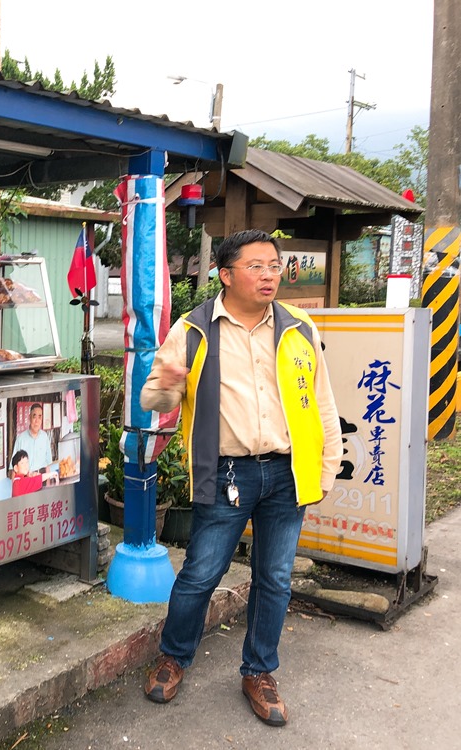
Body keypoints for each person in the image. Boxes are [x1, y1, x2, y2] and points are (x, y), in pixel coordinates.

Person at [139, 229, 340, 727]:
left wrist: (327, 463)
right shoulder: (193, 330)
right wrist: (166, 385)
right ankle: (173, 656)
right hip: (227, 472)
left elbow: (322, 400)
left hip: (288, 471)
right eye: (256, 266)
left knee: (274, 578)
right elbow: (155, 403)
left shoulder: (299, 329)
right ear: (226, 275)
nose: (270, 274)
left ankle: (259, 671)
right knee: (201, 574)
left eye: (274, 265)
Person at [12, 402, 54, 473]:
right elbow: (13, 467)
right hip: (26, 478)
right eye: (34, 417)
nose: (37, 421)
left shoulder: (44, 437)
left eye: (39, 417)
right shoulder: (21, 439)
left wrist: (48, 481)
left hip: (42, 477)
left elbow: (48, 463)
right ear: (29, 417)